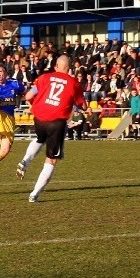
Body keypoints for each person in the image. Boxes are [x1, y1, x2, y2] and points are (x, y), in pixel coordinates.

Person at [16, 55, 86, 202]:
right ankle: (34, 194)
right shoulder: (74, 83)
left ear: (56, 67)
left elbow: (28, 95)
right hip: (57, 122)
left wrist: (36, 103)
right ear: (69, 69)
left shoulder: (44, 78)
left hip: (39, 118)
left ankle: (25, 160)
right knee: (51, 160)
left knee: (40, 138)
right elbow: (83, 105)